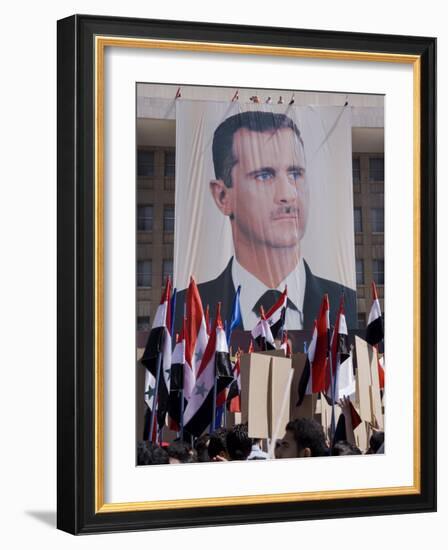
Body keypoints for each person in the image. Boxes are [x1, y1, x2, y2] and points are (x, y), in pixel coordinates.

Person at [174, 111, 356, 332]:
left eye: (295, 174)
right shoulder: (187, 310)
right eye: (264, 175)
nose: (288, 194)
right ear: (222, 196)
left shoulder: (345, 303)